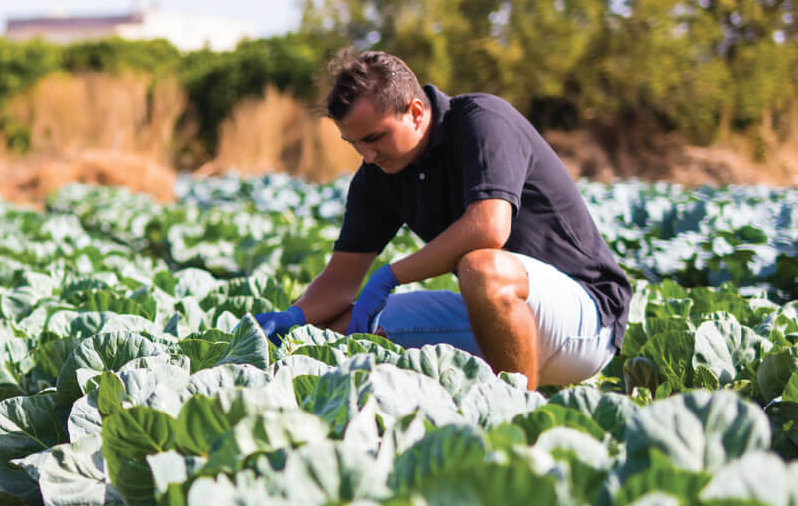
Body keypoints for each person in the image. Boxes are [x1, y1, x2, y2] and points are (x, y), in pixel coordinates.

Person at [253, 50, 631, 389]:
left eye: (375, 138)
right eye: (355, 145)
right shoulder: (377, 176)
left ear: (416, 113)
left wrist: (390, 275)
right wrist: (293, 317)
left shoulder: (483, 122)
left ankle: (516, 416)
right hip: (496, 323)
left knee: (481, 266)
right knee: (331, 331)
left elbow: (489, 226)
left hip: (584, 322)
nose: (368, 155)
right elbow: (339, 282)